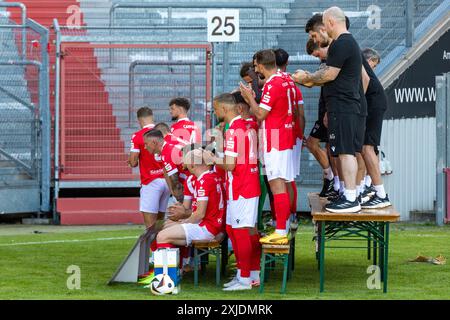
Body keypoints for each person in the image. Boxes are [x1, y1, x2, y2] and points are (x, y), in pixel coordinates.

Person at [293, 7, 370, 213]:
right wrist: (308, 79)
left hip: (344, 106)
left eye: (322, 25)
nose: (319, 34)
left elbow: (328, 75)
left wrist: (306, 78)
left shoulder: (343, 43)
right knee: (344, 153)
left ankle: (351, 198)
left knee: (346, 153)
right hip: (342, 106)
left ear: (329, 23)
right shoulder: (343, 43)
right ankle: (348, 194)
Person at [240, 49, 295, 244]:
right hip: (285, 136)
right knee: (283, 183)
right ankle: (284, 225)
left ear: (261, 65)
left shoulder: (273, 84)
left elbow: (261, 114)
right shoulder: (285, 79)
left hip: (276, 139)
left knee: (277, 184)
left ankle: (280, 231)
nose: (255, 70)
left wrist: (249, 98)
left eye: (256, 66)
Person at [209, 93, 261, 291]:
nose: (215, 112)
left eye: (215, 109)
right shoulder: (247, 124)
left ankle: (245, 278)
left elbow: (230, 165)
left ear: (224, 109)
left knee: (240, 232)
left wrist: (211, 158)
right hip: (244, 185)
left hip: (242, 187)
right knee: (235, 230)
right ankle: (247, 273)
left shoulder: (234, 130)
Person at [155, 149, 225, 250]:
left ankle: (167, 265)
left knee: (162, 236)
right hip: (211, 226)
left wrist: (183, 222)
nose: (186, 169)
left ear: (192, 165)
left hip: (207, 228)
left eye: (187, 166)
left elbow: (200, 214)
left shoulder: (203, 181)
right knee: (166, 232)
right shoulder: (212, 176)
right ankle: (179, 264)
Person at [304, 39, 340, 198]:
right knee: (315, 145)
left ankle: (335, 182)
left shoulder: (333, 61)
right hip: (325, 110)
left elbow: (320, 83)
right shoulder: (326, 62)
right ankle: (330, 178)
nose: (318, 58)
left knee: (328, 148)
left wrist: (328, 110)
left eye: (317, 53)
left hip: (330, 111)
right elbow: (315, 82)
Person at [274, 48, 306, 222]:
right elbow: (300, 115)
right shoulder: (292, 85)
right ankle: (288, 216)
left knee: (281, 178)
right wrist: (300, 135)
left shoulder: (273, 84)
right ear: (287, 63)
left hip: (277, 137)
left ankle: (284, 218)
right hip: (292, 135)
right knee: (287, 177)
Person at [127, 107, 170, 229]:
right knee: (160, 221)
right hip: (166, 180)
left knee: (150, 225)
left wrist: (130, 161)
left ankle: (155, 248)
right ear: (152, 117)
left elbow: (134, 161)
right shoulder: (161, 132)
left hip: (150, 181)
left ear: (139, 120)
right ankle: (163, 246)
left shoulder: (137, 136)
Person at [360, 48, 391, 208]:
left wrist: (358, 103)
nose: (375, 67)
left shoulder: (362, 67)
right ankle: (367, 186)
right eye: (375, 64)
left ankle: (379, 193)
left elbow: (364, 80)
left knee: (367, 148)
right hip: (373, 104)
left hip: (373, 104)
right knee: (366, 148)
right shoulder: (360, 63)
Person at [143, 129, 187, 203]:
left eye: (146, 144)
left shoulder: (167, 152)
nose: (145, 147)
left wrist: (180, 201)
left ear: (154, 142)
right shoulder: (170, 146)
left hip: (196, 183)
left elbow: (175, 181)